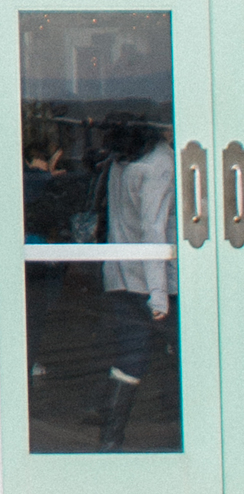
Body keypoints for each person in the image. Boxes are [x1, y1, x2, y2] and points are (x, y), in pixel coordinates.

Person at [94, 122, 176, 451]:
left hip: (121, 274)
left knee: (130, 355)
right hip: (156, 282)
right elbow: (154, 230)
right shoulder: (160, 164)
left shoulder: (120, 163)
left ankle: (109, 438)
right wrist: (158, 294)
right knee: (191, 350)